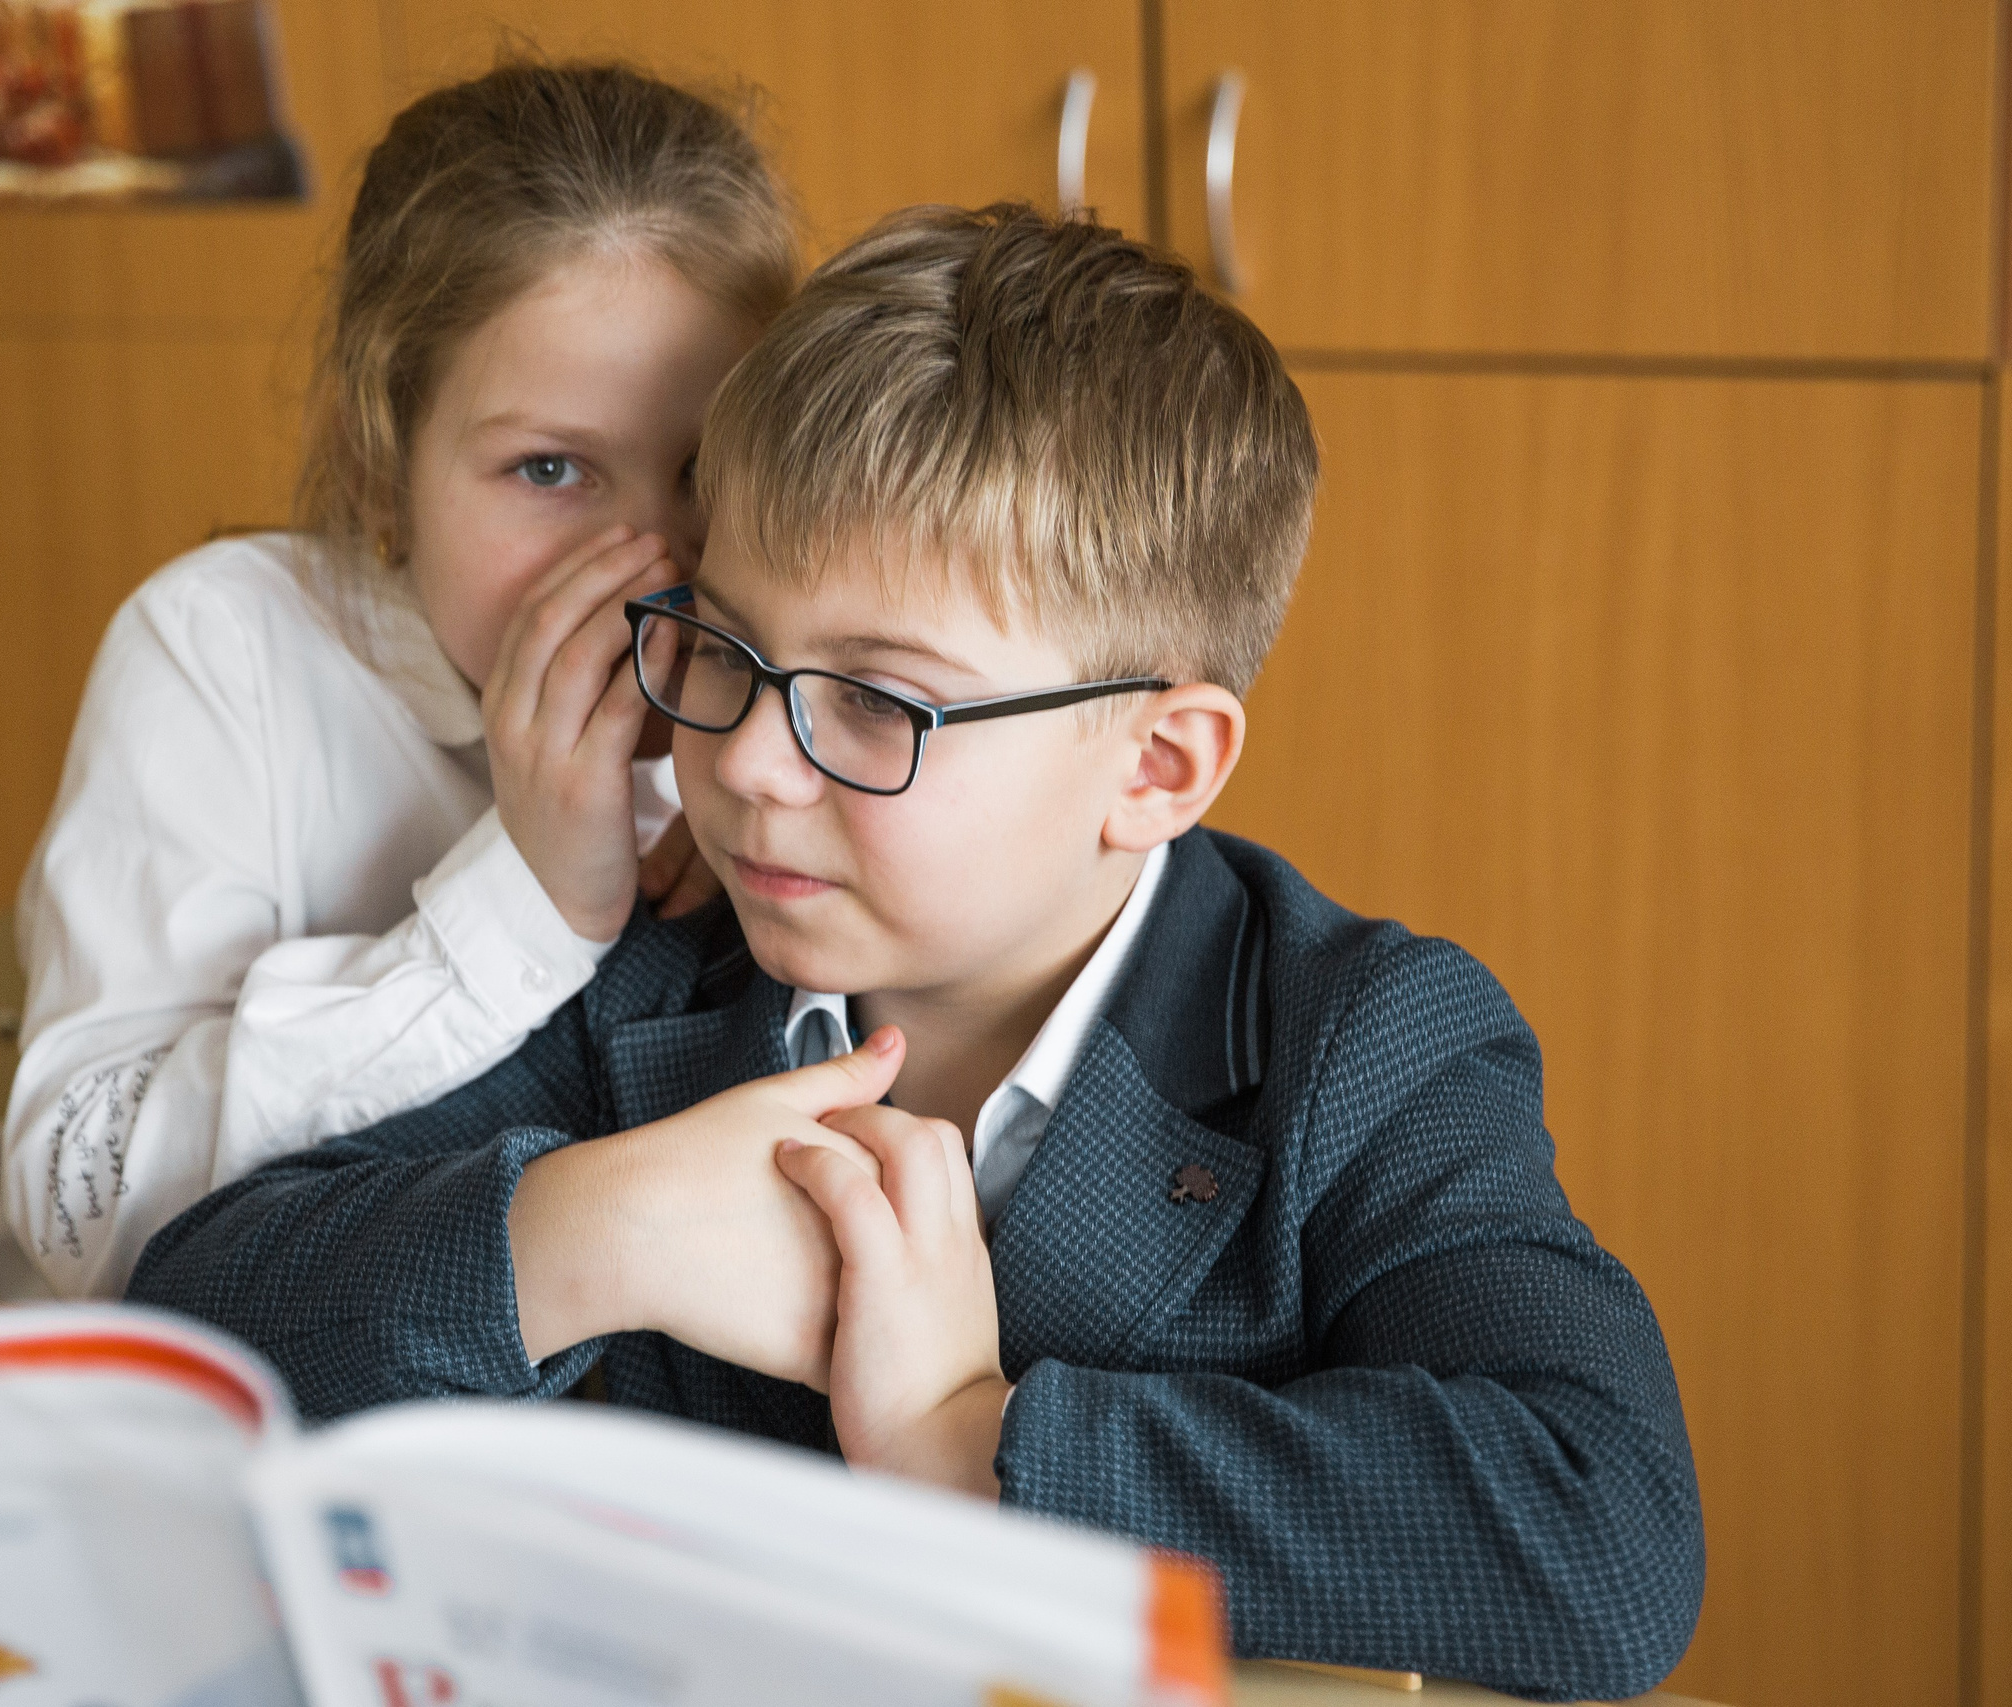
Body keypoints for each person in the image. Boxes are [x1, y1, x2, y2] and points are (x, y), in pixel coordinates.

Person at [124, 205, 1704, 1698]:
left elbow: (1605, 1529)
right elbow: (193, 1327)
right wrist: (589, 1228)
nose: (744, 764)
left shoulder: (1363, 1043)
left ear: (1156, 765)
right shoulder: (663, 962)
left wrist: (971, 1440)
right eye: (731, 652)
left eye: (880, 702)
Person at [0, 61, 797, 1299]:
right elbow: (85, 1205)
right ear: (378, 470)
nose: (650, 562)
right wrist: (527, 908)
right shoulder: (223, 652)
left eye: (702, 465)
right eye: (547, 471)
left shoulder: (787, 707)